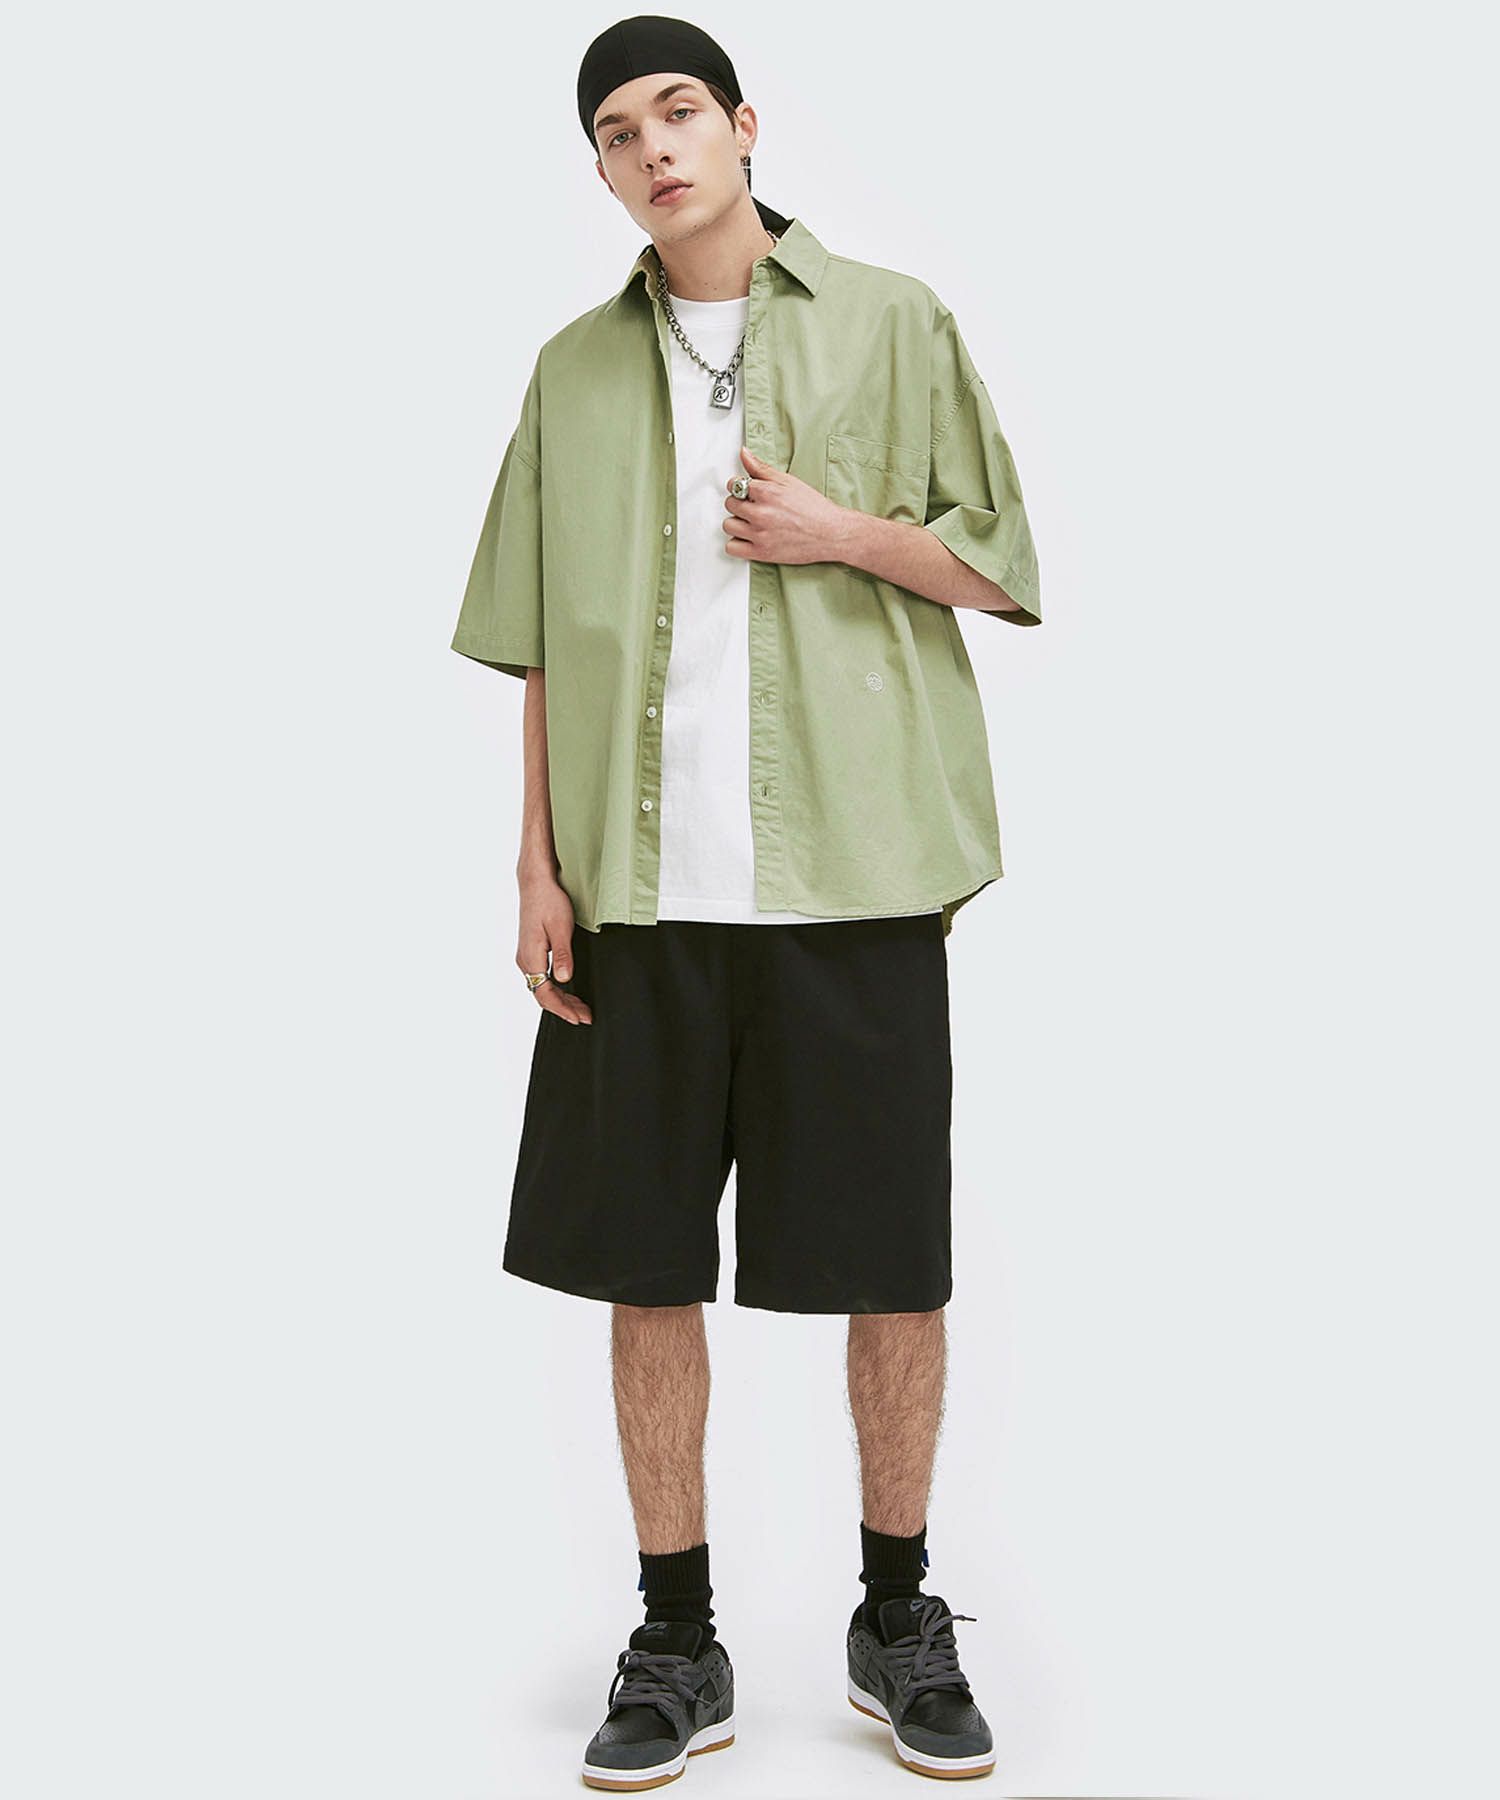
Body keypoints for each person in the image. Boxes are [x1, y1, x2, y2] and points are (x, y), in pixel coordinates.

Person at [450, 14, 1042, 1788]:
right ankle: (676, 1636)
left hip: (857, 873)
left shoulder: (893, 323)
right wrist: (538, 863)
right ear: (603, 171)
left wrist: (840, 532)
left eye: (679, 111)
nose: (653, 147)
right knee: (642, 1272)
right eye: (617, 132)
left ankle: (897, 1612)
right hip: (638, 895)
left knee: (893, 1271)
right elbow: (537, 637)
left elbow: (1000, 565)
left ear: (742, 125)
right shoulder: (571, 373)